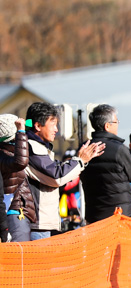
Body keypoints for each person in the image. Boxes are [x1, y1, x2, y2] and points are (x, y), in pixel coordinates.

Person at [25, 102, 104, 239]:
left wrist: (79, 160)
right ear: (38, 126)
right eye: (53, 124)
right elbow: (56, 177)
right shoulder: (32, 148)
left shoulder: (39, 147)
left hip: (43, 223)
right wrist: (80, 160)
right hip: (38, 224)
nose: (56, 129)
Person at [81, 104, 131, 224]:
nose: (118, 124)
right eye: (116, 121)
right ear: (107, 126)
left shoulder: (84, 149)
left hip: (94, 212)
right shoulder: (119, 149)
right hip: (119, 212)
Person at [0, 114, 28, 242]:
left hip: (17, 212)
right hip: (10, 213)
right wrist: (21, 132)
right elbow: (20, 162)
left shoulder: (9, 153)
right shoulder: (2, 155)